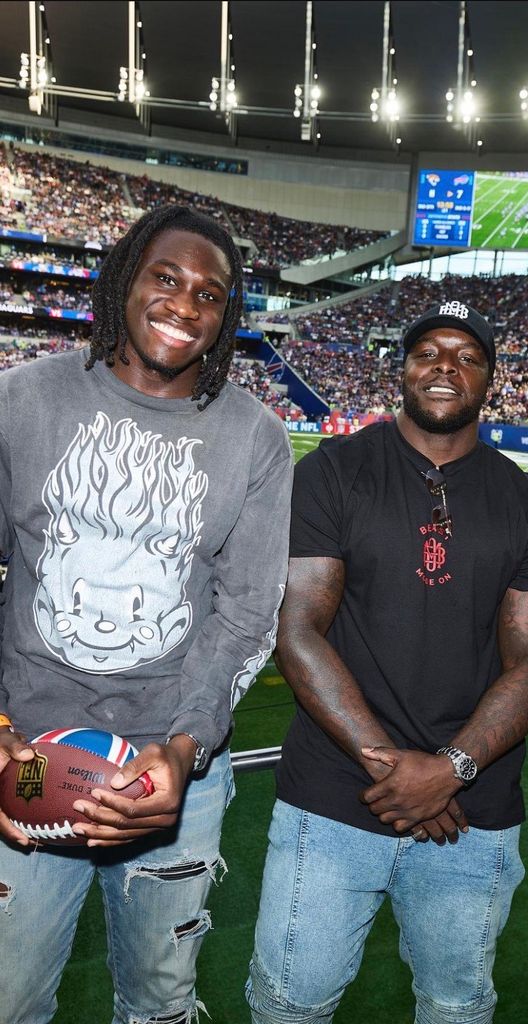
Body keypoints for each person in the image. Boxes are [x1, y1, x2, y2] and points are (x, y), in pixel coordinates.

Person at [0, 204, 293, 1024]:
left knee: (159, 1003)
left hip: (172, 769)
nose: (184, 305)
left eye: (210, 294)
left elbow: (246, 613)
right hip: (28, 752)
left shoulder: (256, 437)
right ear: (125, 279)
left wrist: (184, 747)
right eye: (166, 278)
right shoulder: (20, 400)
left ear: (226, 315)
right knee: (8, 998)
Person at [246, 301, 528, 1024]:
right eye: (428, 351)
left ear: (489, 378)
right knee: (289, 1005)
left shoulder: (525, 500)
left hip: (470, 811)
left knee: (455, 1009)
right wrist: (394, 769)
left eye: (466, 355)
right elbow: (297, 628)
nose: (444, 366)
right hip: (335, 797)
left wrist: (450, 769)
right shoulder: (334, 470)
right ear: (402, 368)